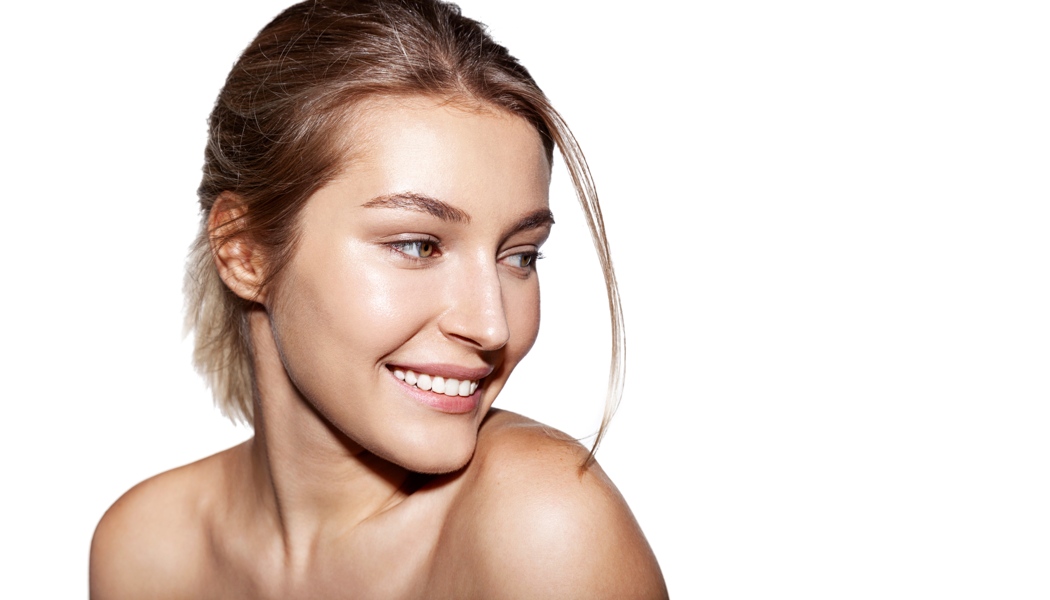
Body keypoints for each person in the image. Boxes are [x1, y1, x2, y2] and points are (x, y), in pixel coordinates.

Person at [90, 0, 666, 596]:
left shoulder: (543, 523)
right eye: (418, 246)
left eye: (520, 255)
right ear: (244, 252)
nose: (492, 325)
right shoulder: (146, 549)